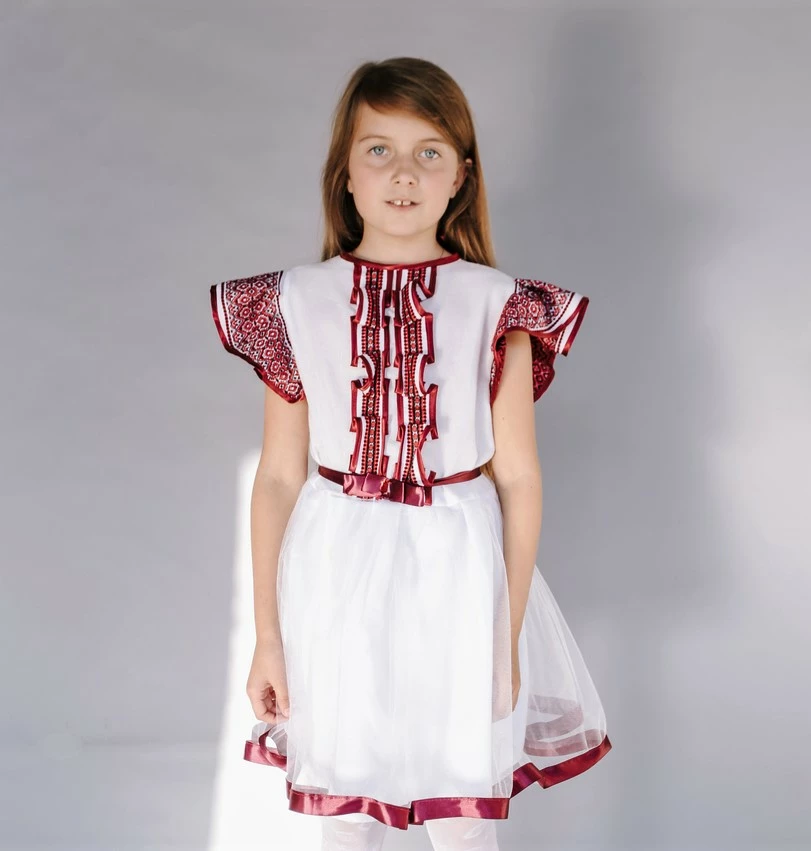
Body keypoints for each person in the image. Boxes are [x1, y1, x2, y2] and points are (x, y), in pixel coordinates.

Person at [209, 56, 612, 851]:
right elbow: (280, 475)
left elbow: (519, 477)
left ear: (461, 175)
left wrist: (505, 636)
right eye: (379, 150)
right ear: (345, 173)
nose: (403, 173)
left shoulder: (500, 305)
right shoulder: (293, 301)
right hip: (334, 566)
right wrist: (269, 636)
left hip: (458, 569)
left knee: (461, 814)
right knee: (345, 811)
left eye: (429, 152)